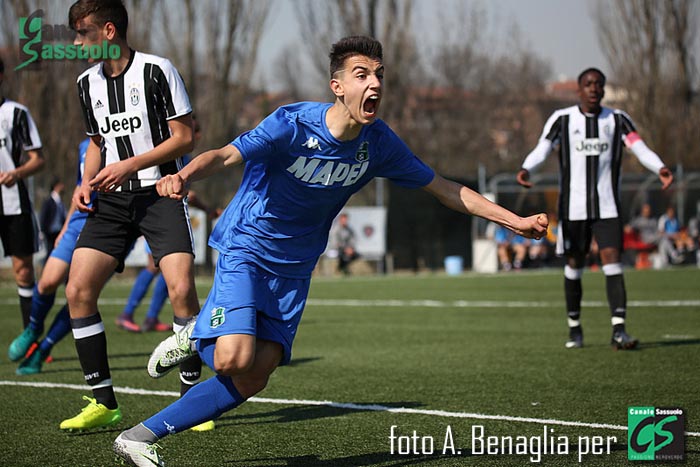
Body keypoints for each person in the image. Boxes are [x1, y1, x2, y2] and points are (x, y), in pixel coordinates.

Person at [113, 35, 548, 466]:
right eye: (361, 75)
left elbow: (446, 189)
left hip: (296, 267)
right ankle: (198, 334)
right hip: (247, 245)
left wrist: (517, 221)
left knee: (256, 374)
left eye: (379, 75)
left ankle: (139, 436)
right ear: (337, 86)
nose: (374, 83)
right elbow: (226, 155)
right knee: (232, 357)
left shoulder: (378, 143)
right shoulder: (292, 124)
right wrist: (185, 175)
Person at [61, 0, 207, 432]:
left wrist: (131, 164)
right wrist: (85, 181)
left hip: (160, 194)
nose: (75, 42)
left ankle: (194, 400)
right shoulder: (86, 83)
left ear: (107, 32)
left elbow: (183, 138)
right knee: (77, 290)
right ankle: (103, 400)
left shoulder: (157, 70)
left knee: (181, 290)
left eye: (82, 33)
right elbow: (94, 142)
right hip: (110, 203)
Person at [516, 67, 673, 350]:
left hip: (608, 206)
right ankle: (575, 329)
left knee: (611, 260)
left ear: (603, 89)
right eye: (588, 84)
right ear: (578, 90)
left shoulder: (617, 119)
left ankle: (619, 330)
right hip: (572, 208)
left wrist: (659, 166)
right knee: (574, 264)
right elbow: (543, 147)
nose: (593, 88)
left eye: (598, 84)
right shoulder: (562, 120)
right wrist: (527, 168)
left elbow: (639, 147)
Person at [8, 139, 91, 374]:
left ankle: (42, 350)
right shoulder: (85, 144)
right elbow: (80, 188)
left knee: (79, 295)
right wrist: (66, 227)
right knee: (46, 282)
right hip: (78, 221)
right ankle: (33, 329)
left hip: (111, 225)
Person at [0, 56, 46, 330]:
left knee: (24, 270)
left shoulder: (16, 113)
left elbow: (38, 159)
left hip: (13, 203)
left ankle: (31, 336)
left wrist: (15, 174)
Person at [39, 178, 67, 260]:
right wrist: (43, 230)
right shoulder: (49, 201)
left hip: (59, 230)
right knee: (50, 252)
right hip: (50, 231)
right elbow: (44, 216)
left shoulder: (60, 201)